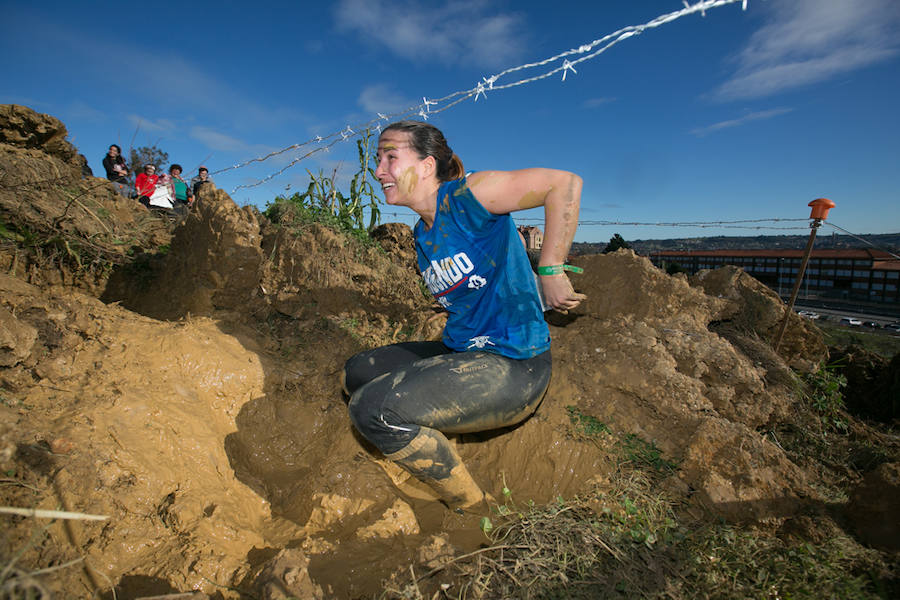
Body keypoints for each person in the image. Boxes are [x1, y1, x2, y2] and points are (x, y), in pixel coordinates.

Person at [342, 121, 585, 509]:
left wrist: (551, 268)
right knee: (355, 373)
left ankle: (471, 504)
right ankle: (428, 440)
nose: (378, 170)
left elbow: (564, 183)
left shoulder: (469, 196)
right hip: (462, 351)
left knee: (373, 411)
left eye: (391, 158)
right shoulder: (422, 233)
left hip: (513, 363)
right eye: (377, 160)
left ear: (425, 165)